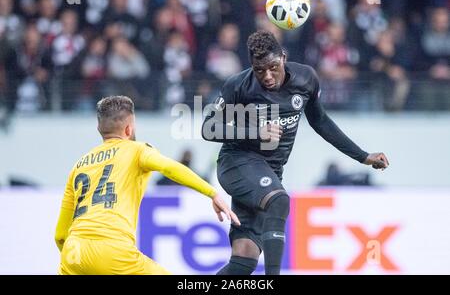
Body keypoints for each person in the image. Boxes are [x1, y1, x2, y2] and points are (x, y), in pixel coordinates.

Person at [201, 30, 389, 275]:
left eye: (272, 67)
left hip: (269, 172)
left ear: (283, 58)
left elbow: (320, 121)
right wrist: (257, 131)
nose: (267, 76)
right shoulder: (238, 85)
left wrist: (362, 156)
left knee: (244, 260)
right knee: (279, 201)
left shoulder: (306, 79)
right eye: (259, 70)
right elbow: (208, 127)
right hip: (237, 163)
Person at [55, 95, 240, 275]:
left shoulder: (79, 166)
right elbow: (169, 168)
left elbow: (60, 235)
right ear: (128, 129)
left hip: (72, 254)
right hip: (111, 249)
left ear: (99, 128)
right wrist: (212, 193)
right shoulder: (137, 150)